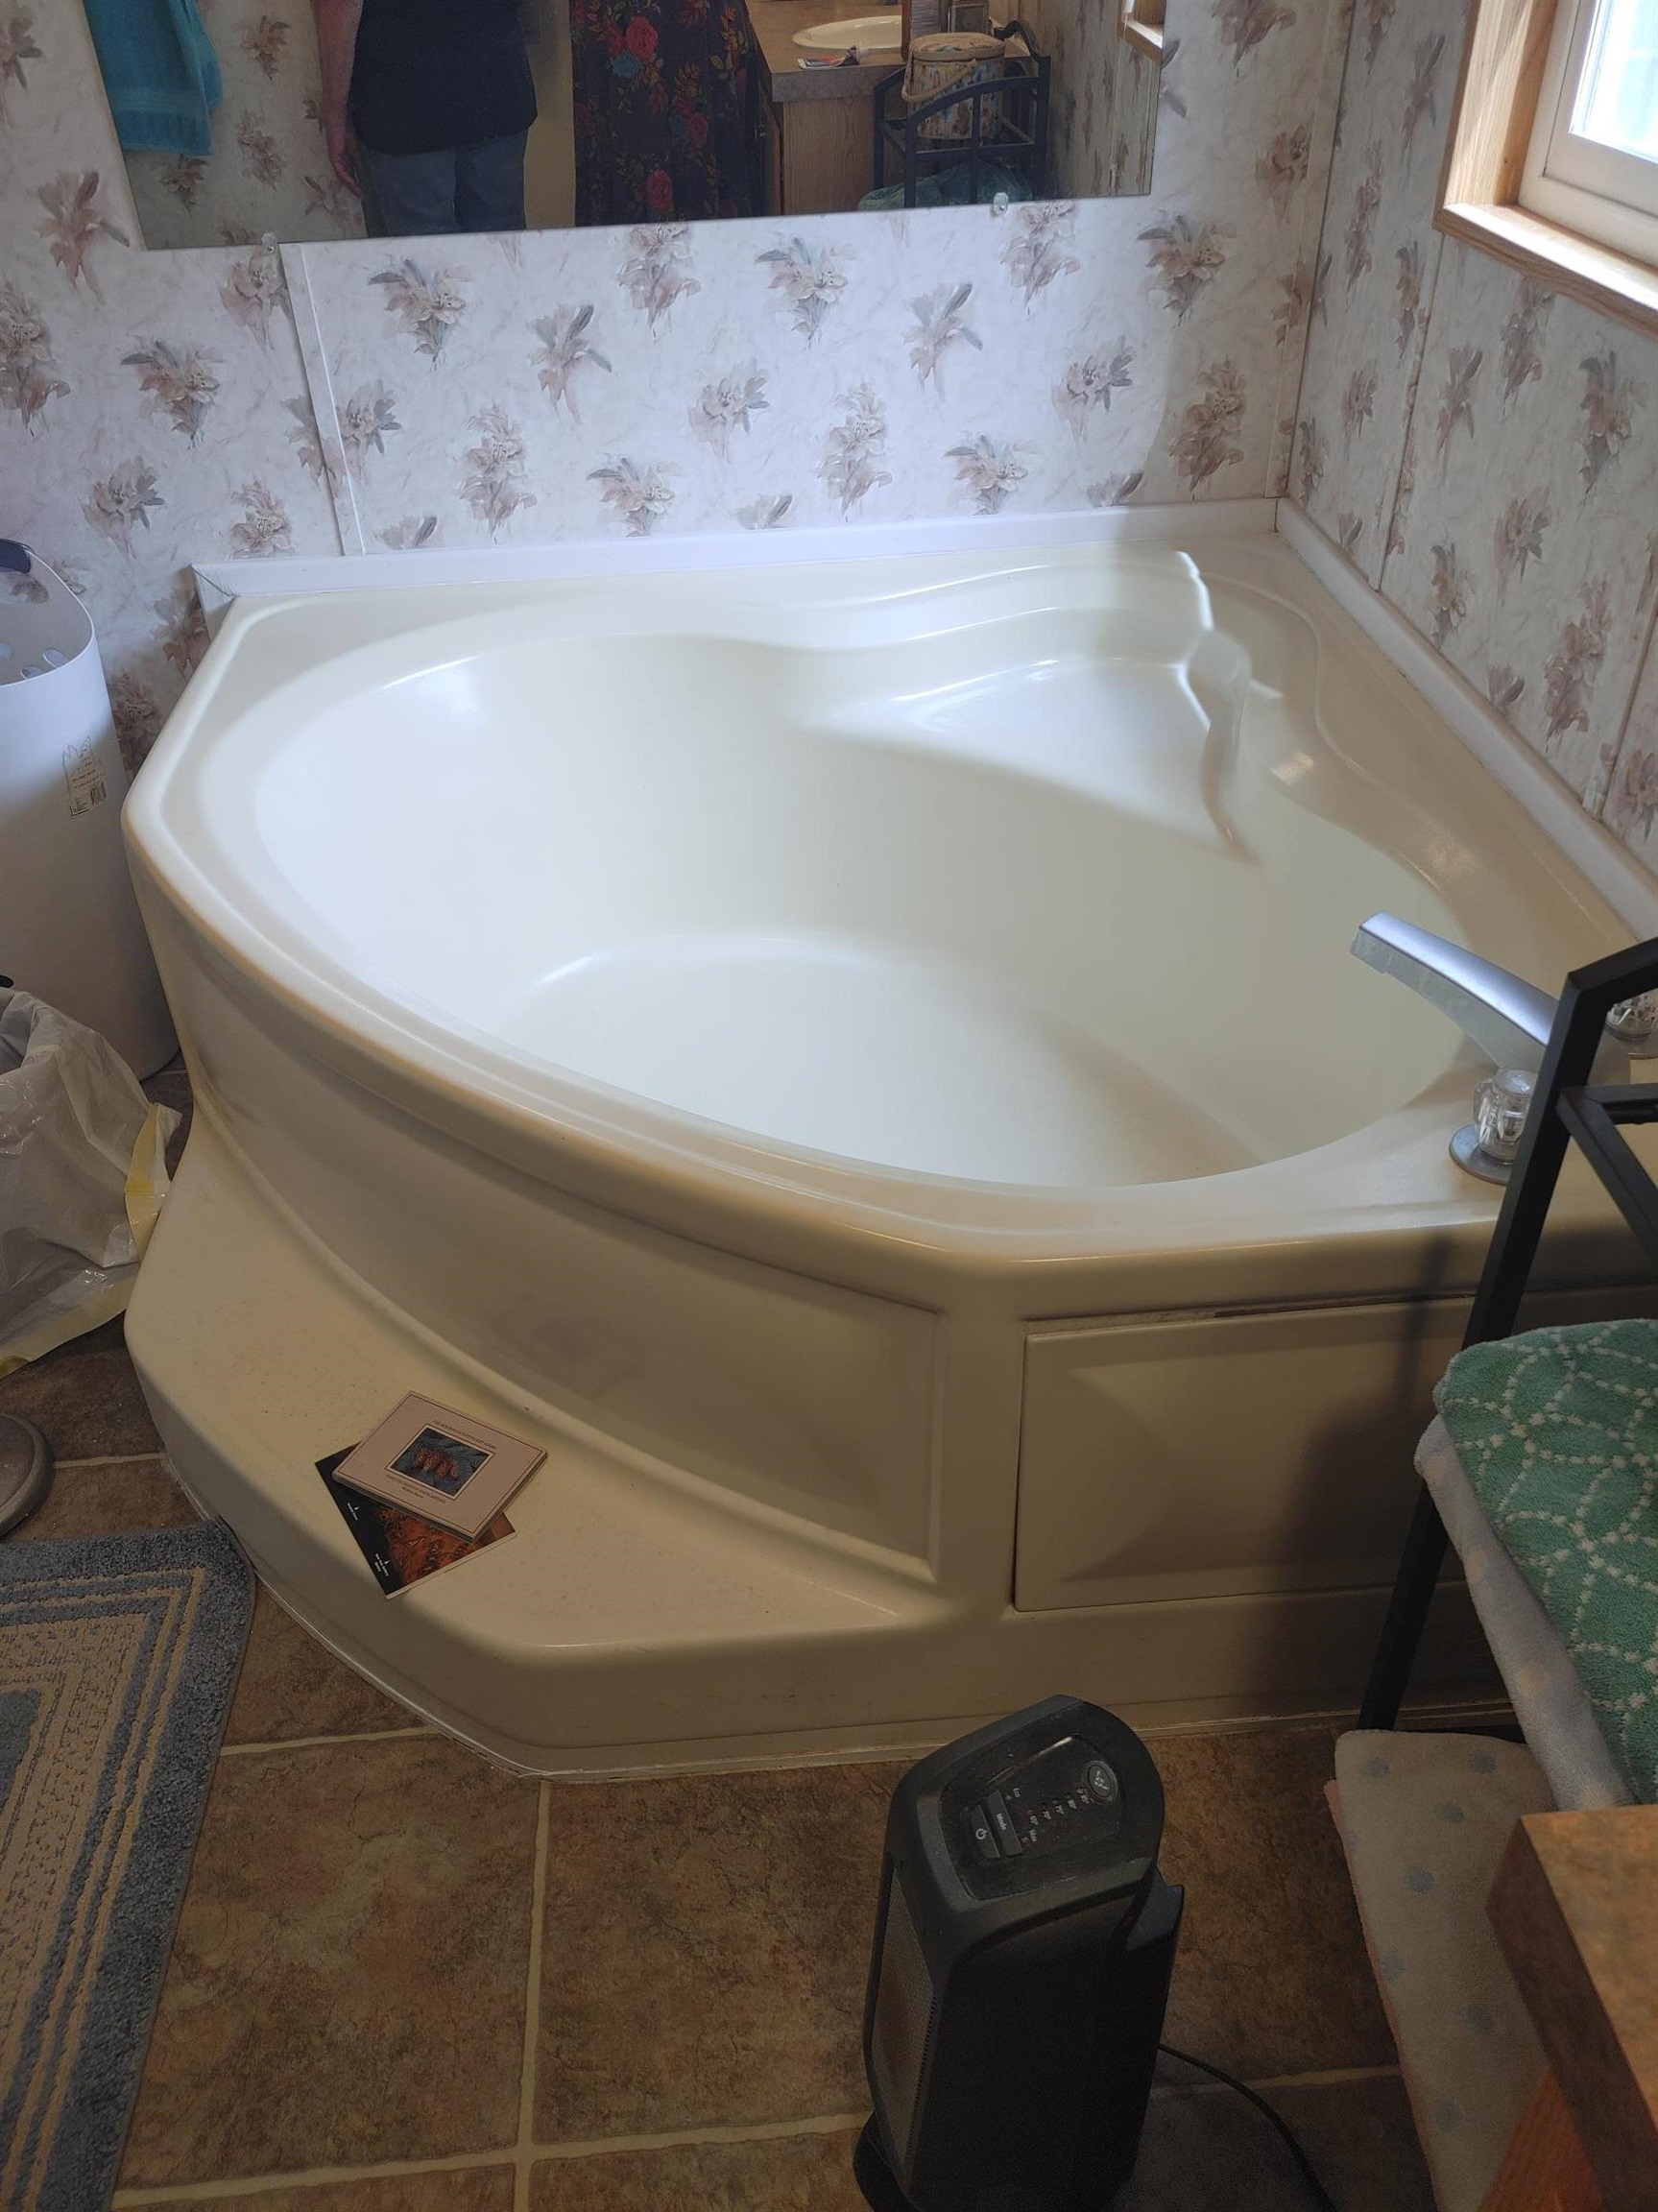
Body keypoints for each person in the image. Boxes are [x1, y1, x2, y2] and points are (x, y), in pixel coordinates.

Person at [312, 0, 537, 236]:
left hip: (407, 102)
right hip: (497, 81)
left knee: (425, 251)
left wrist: (334, 116)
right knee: (499, 243)